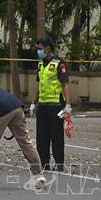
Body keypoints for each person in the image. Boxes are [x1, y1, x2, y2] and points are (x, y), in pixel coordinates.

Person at [29, 37, 72, 172]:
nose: (38, 51)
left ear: (47, 48)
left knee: (56, 135)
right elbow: (38, 85)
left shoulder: (59, 63)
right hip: (43, 105)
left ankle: (59, 163)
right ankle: (44, 163)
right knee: (41, 136)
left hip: (56, 105)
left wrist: (68, 105)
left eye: (40, 49)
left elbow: (65, 85)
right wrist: (33, 103)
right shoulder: (40, 65)